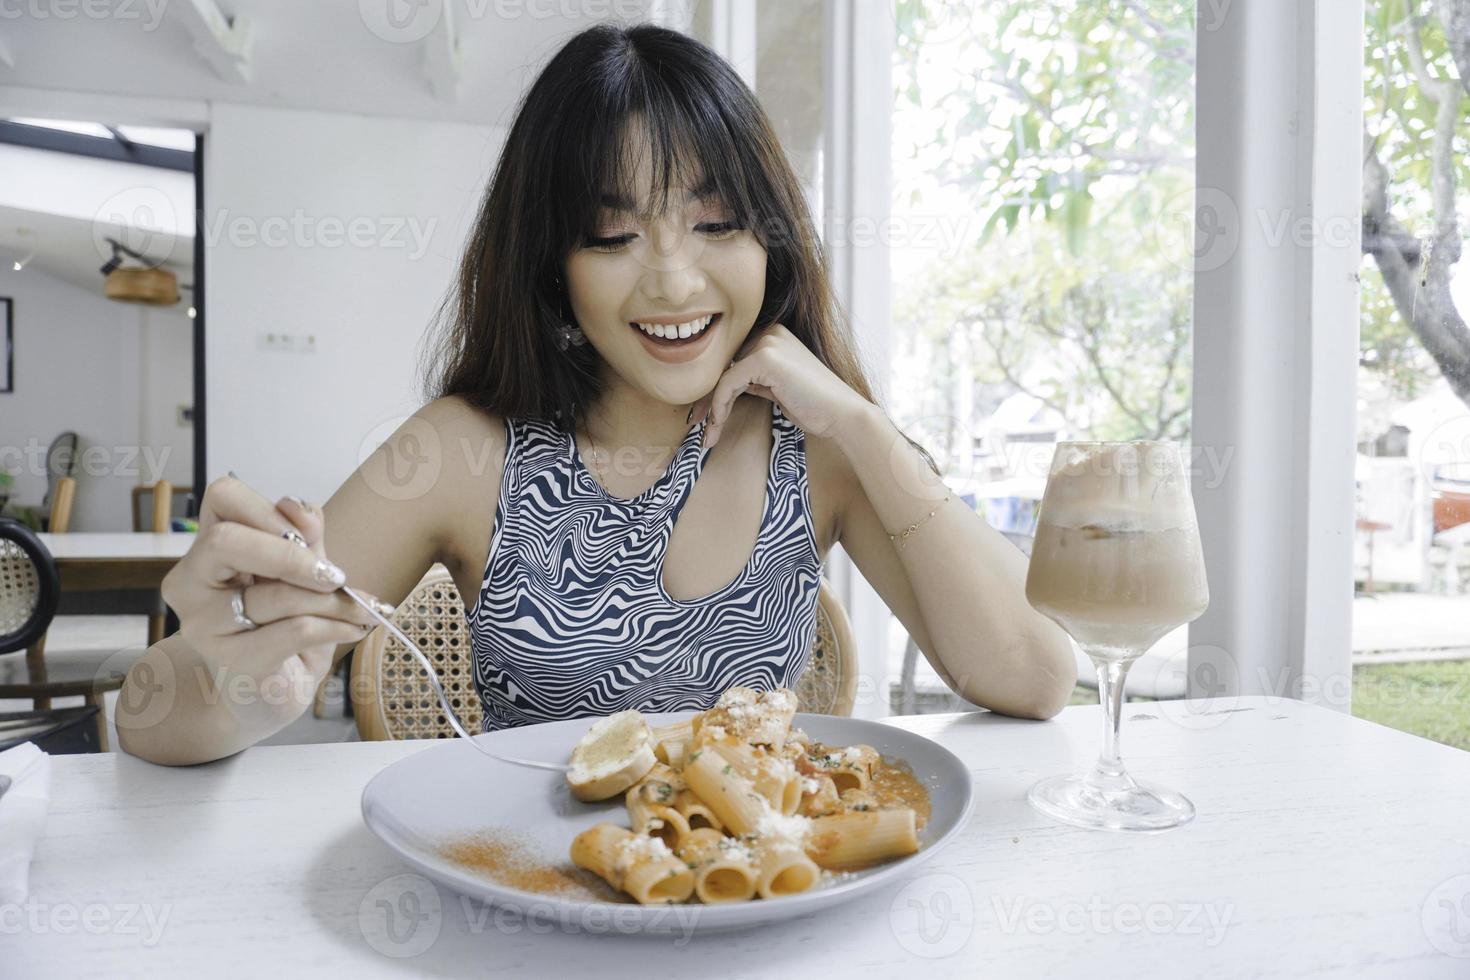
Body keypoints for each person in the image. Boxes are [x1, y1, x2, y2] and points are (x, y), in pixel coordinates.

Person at [118, 23, 1075, 766]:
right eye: (613, 237)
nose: (671, 283)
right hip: (526, 909)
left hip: (762, 915)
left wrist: (865, 426)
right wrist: (230, 680)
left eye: (716, 222)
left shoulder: (821, 450)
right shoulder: (461, 451)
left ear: (770, 239)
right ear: (554, 266)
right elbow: (146, 721)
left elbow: (1035, 679)